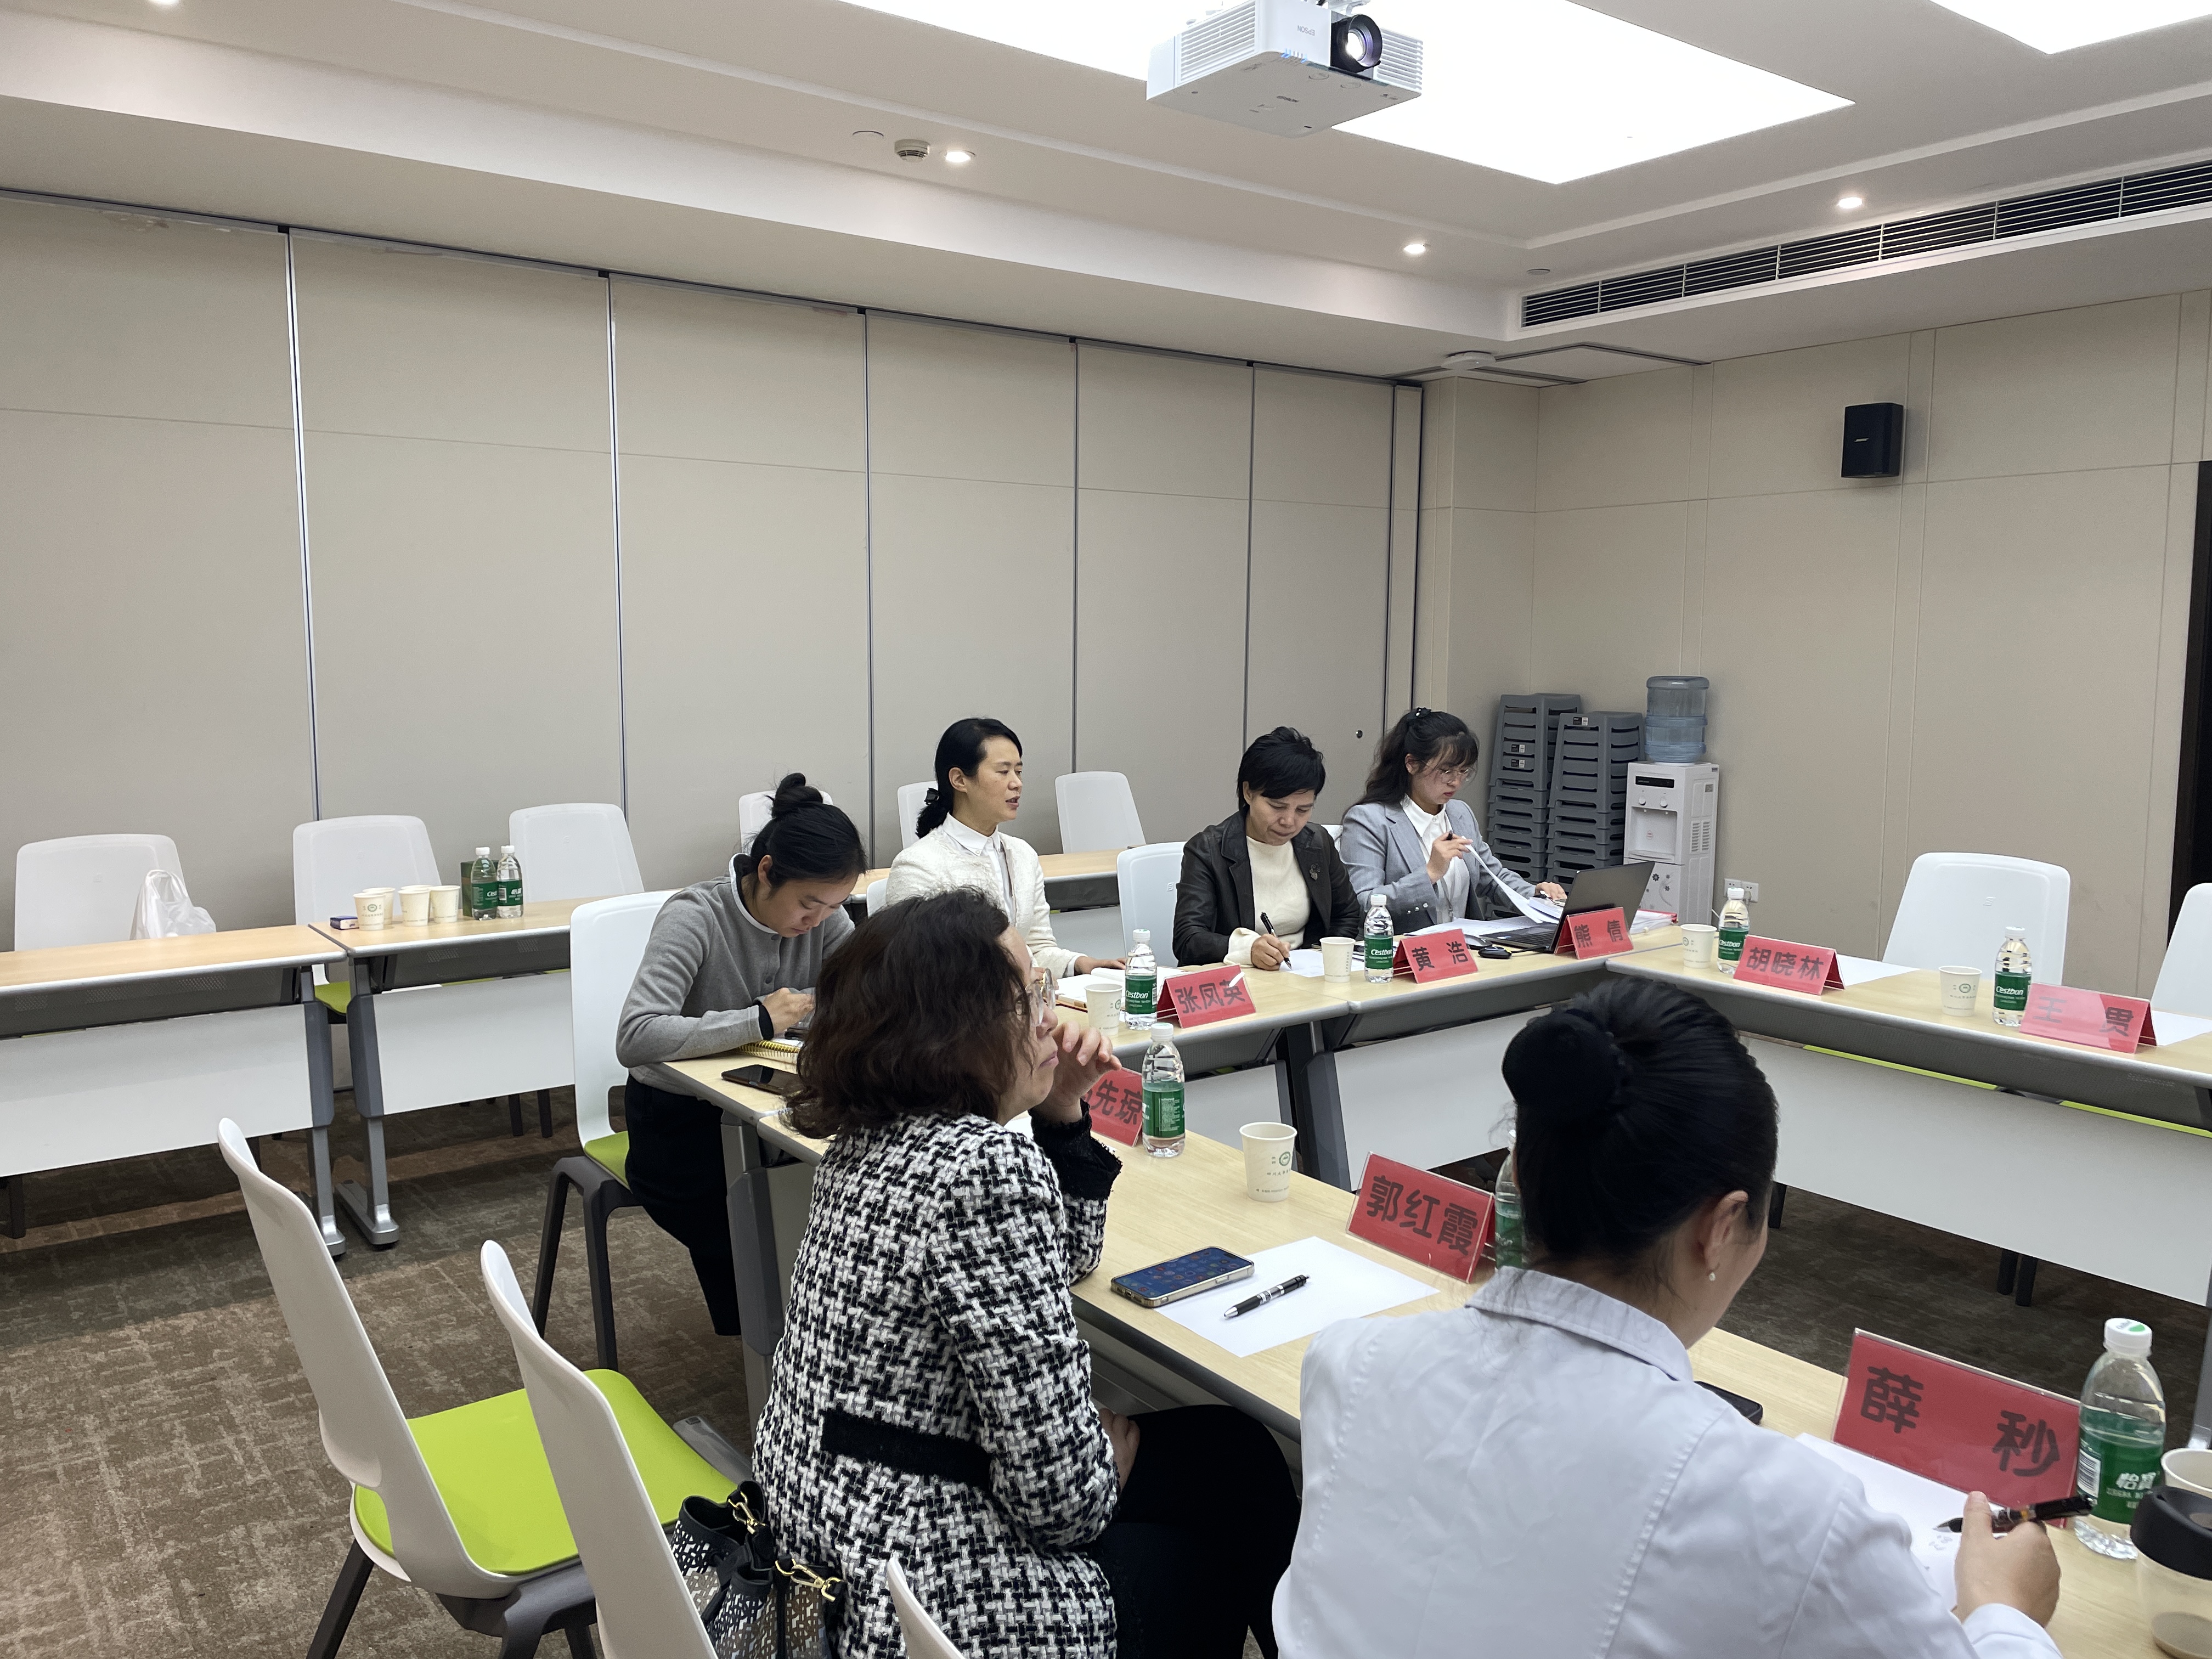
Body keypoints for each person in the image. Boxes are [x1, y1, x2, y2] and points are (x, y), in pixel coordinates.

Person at [1275, 977, 2062, 1659]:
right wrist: (2005, 1612)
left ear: (1519, 1179)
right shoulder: (1789, 1515)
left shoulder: (1349, 1363)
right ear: (1722, 1228)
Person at [755, 890, 1300, 1658]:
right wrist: (1102, 1455)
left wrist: (1063, 1112)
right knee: (1200, 1560)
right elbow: (1063, 1506)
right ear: (953, 1031)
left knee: (1233, 1452)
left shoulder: (868, 1139)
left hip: (832, 1530)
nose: (1050, 1018)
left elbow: (1055, 1261)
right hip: (922, 1591)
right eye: (1026, 998)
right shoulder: (982, 1168)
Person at [614, 774, 861, 1336]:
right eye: (809, 905)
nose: (818, 922)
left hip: (775, 1104)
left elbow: (865, 992)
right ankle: (772, 1350)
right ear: (767, 871)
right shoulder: (695, 915)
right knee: (756, 1225)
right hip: (681, 1128)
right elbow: (637, 1035)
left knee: (851, 1195)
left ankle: (817, 1341)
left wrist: (804, 1007)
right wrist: (758, 1020)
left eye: (834, 907)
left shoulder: (826, 919)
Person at [887, 716, 1122, 977]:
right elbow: (922, 973)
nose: (1017, 783)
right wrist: (1015, 983)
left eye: (1018, 772)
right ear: (959, 780)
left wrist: (1080, 964)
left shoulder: (1022, 855)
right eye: (1003, 772)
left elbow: (1036, 949)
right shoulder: (917, 866)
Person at [1338, 706, 1564, 934]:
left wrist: (1535, 894)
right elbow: (1363, 903)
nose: (1456, 782)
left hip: (1464, 947)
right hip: (1404, 949)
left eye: (1463, 771)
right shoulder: (1370, 820)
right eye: (1446, 771)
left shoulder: (1460, 813)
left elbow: (1492, 878)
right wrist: (1430, 873)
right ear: (1412, 764)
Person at [1173, 725, 1361, 968]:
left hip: (1306, 975)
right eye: (1277, 806)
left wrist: (1321, 960)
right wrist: (1247, 950)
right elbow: (1188, 939)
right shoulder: (1207, 850)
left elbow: (1346, 914)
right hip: (1238, 978)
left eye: (1303, 810)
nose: (1289, 821)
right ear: (1248, 793)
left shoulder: (1317, 842)